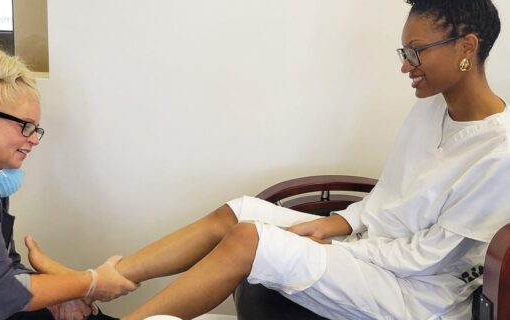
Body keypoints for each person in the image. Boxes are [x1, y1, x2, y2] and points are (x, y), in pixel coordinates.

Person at [27, 0, 510, 319]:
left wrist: (334, 247)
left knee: (251, 240)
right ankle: (92, 286)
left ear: (467, 47)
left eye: (417, 51)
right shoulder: (430, 111)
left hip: (418, 295)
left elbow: (428, 260)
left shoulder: (499, 153)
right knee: (240, 211)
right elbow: (388, 203)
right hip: (376, 249)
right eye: (404, 50)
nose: (405, 64)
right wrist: (335, 224)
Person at [0, 48, 137, 320]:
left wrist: (58, 300)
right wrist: (89, 282)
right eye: (25, 126)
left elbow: (6, 267)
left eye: (36, 129)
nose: (34, 139)